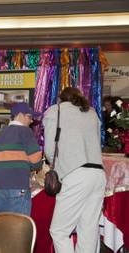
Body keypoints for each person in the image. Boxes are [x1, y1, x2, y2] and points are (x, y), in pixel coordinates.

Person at [43, 87, 106, 253]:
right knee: (89, 229)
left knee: (59, 231)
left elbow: (50, 149)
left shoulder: (55, 111)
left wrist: (55, 166)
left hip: (75, 173)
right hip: (98, 173)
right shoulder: (92, 112)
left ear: (60, 99)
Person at [0, 102, 42, 215]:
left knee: (1, 224)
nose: (31, 121)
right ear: (20, 115)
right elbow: (36, 161)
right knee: (19, 227)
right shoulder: (25, 131)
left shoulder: (0, 134)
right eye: (29, 117)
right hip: (17, 184)